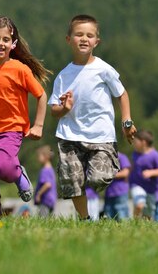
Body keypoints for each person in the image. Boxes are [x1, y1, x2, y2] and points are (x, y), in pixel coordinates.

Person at [49, 14, 136, 220]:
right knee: (73, 183)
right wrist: (64, 108)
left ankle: (101, 173)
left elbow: (122, 94)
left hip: (101, 135)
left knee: (99, 178)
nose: (84, 39)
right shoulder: (63, 75)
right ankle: (85, 219)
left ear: (97, 41)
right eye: (79, 34)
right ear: (69, 39)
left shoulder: (103, 69)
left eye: (89, 35)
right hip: (70, 135)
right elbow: (54, 108)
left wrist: (127, 121)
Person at [0, 16, 50, 215]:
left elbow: (41, 95)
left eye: (5, 40)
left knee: (3, 168)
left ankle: (18, 174)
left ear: (13, 44)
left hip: (12, 130)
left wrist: (38, 125)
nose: (0, 43)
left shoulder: (20, 69)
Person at [129, 130, 158, 219]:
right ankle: (135, 222)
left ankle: (144, 228)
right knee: (139, 205)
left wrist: (151, 172)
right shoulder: (135, 154)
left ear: (143, 142)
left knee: (148, 214)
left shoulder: (155, 155)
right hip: (136, 185)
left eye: (135, 142)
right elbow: (133, 166)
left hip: (151, 188)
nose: (133, 144)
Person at [104, 152, 131, 221]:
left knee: (122, 215)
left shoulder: (121, 157)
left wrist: (110, 175)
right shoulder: (105, 157)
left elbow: (125, 173)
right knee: (108, 215)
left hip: (120, 191)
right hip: (109, 192)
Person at [34, 145, 57, 217]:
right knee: (48, 219)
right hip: (51, 200)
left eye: (39, 156)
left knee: (43, 218)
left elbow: (48, 184)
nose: (37, 158)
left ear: (46, 157)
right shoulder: (51, 169)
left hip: (45, 200)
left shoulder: (45, 170)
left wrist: (39, 194)